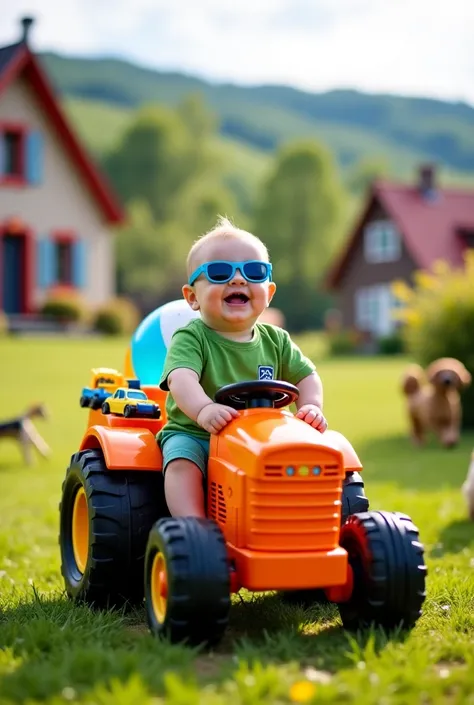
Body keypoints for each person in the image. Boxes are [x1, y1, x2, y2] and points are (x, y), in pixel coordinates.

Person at [158, 217, 327, 518]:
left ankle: (309, 519)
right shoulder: (191, 337)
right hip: (199, 433)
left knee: (311, 456)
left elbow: (307, 376)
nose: (238, 280)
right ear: (192, 297)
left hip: (263, 436)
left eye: (253, 271)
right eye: (220, 272)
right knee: (182, 461)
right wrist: (204, 410)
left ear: (269, 292)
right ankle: (193, 526)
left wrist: (311, 406)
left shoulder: (277, 340)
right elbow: (180, 378)